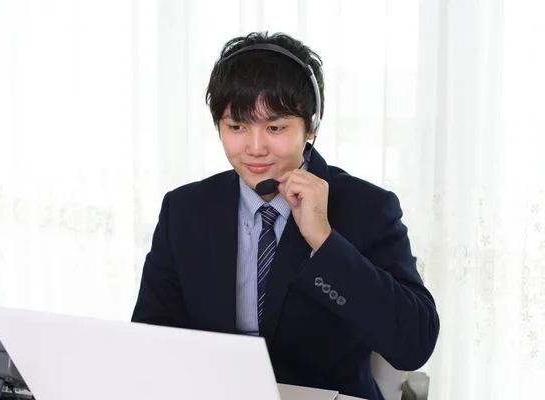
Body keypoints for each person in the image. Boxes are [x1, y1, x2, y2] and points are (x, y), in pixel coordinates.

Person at [131, 31, 439, 400]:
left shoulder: (367, 207)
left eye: (275, 127)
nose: (255, 148)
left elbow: (413, 344)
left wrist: (324, 241)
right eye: (236, 127)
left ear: (311, 127)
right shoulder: (185, 209)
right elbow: (151, 337)